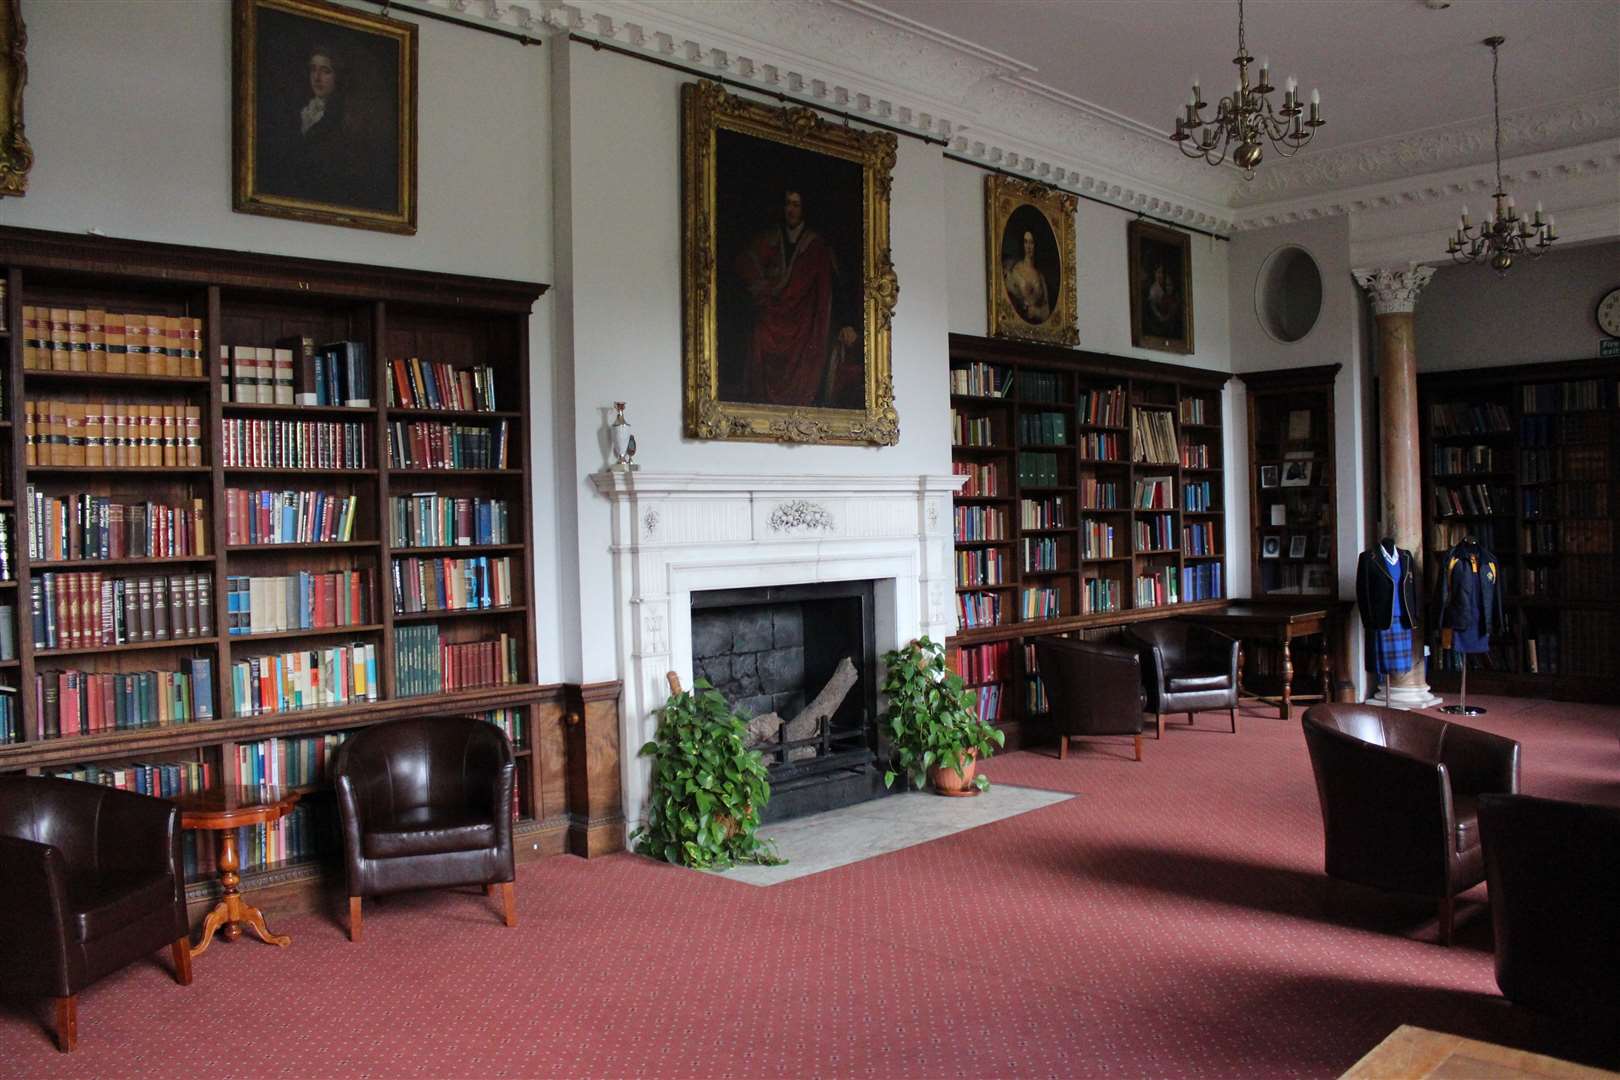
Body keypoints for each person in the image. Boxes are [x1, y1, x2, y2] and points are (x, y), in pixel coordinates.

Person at [733, 189, 861, 408]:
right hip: (775, 317)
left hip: (805, 326)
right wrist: (763, 289)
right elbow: (746, 262)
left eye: (796, 205)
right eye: (788, 204)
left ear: (804, 210)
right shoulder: (772, 238)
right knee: (759, 336)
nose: (791, 210)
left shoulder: (816, 246)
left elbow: (831, 287)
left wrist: (846, 322)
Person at [259, 44, 393, 212]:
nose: (317, 77)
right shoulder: (302, 111)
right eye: (313, 70)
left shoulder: (346, 117)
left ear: (338, 76)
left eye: (325, 71)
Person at [1003, 230, 1051, 325]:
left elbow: (1047, 312)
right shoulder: (1014, 269)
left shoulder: (1041, 277)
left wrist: (1036, 312)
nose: (1028, 247)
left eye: (1031, 242)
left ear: (1036, 245)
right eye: (1025, 242)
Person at [1144, 261, 1181, 339]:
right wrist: (1161, 316)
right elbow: (1153, 306)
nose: (1160, 275)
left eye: (1162, 273)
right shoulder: (1154, 289)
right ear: (1155, 273)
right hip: (1159, 319)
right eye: (1158, 272)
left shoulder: (1166, 285)